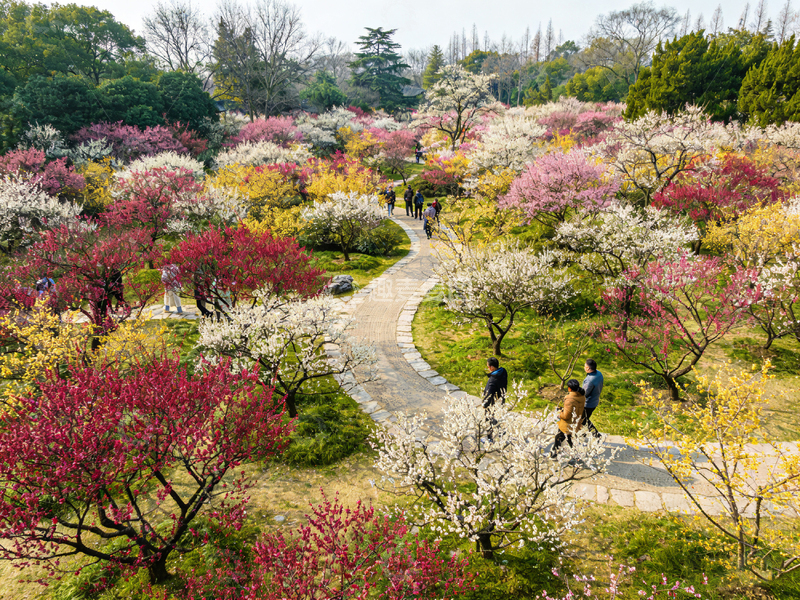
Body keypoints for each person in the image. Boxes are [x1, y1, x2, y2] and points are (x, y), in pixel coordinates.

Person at [550, 379, 586, 458]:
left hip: (567, 424)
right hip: (576, 422)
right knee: (570, 439)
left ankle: (554, 454)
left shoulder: (570, 399)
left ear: (569, 388)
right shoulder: (582, 396)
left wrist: (559, 413)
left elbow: (566, 416)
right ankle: (576, 455)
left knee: (559, 437)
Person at [581, 358, 603, 437]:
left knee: (583, 420)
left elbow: (584, 394)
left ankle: (596, 435)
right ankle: (583, 434)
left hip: (588, 404)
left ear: (588, 368)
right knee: (584, 419)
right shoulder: (599, 373)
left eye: (585, 366)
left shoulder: (590, 380)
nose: (584, 367)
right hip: (595, 400)